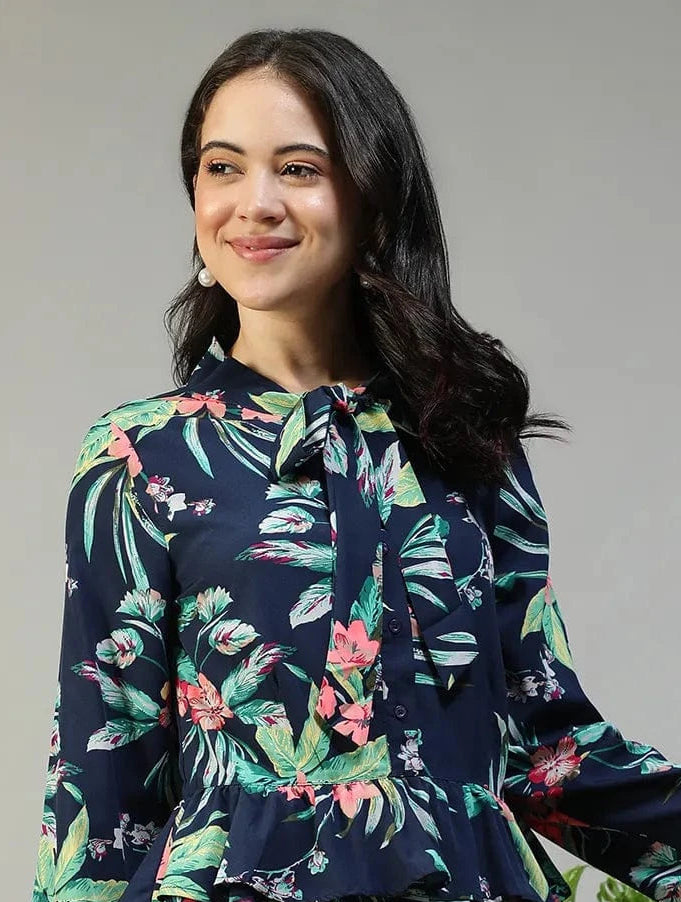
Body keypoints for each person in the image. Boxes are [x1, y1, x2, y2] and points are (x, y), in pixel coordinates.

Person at [31, 26, 681, 902]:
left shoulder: (464, 436)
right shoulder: (139, 456)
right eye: (222, 167)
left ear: (373, 198)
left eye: (298, 168)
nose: (253, 203)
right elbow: (103, 769)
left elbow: (543, 744)